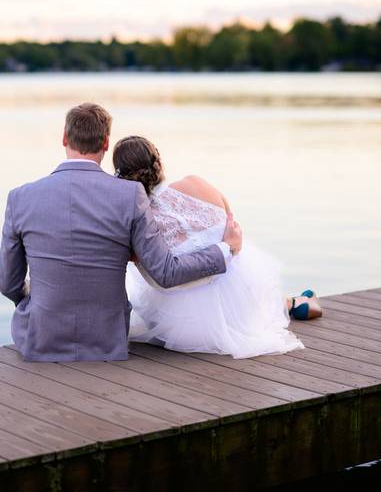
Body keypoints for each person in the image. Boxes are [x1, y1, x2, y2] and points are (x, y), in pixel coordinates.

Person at [0, 103, 244, 362]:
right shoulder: (129, 195)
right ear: (105, 143)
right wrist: (227, 248)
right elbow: (166, 272)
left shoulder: (20, 198)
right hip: (107, 340)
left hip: (39, 338)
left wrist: (37, 301)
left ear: (64, 138)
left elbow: (7, 282)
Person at [113, 135, 319, 359]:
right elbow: (231, 221)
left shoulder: (140, 219)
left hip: (183, 325)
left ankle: (289, 302)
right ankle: (292, 302)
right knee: (249, 280)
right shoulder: (195, 183)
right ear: (158, 161)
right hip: (239, 294)